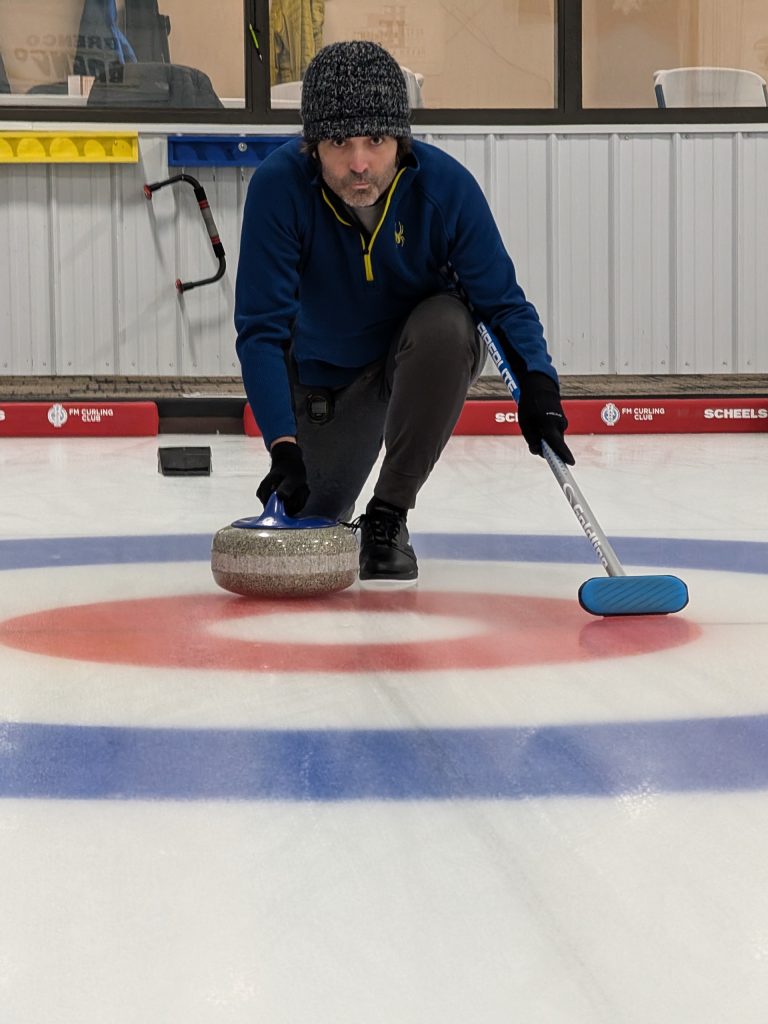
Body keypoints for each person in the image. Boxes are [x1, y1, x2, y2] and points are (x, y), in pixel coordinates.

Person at [234, 40, 574, 587]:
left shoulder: (445, 188)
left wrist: (538, 382)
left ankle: (388, 515)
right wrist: (283, 445)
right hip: (325, 376)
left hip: (411, 354)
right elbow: (260, 331)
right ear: (313, 146)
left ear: (401, 139)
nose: (359, 163)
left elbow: (501, 302)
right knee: (314, 522)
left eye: (376, 140)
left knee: (449, 324)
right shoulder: (279, 189)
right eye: (340, 143)